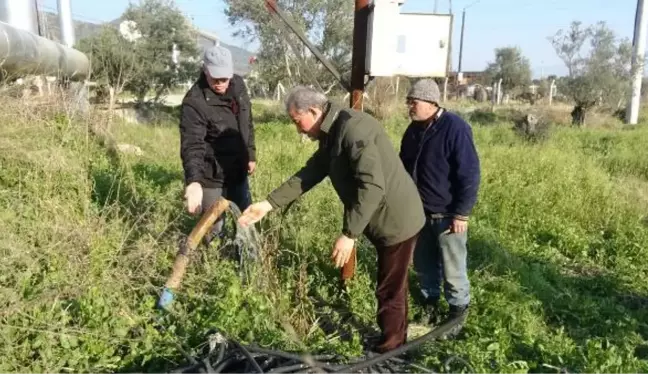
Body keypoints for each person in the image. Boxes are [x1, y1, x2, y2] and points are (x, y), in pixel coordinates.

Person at [237, 85, 426, 353]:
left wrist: (349, 235)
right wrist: (268, 204)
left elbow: (372, 187)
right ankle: (394, 336)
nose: (298, 130)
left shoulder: (353, 129)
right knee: (392, 284)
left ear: (314, 111)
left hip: (396, 220)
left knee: (390, 288)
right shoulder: (332, 130)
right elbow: (312, 172)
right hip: (379, 216)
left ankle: (391, 349)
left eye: (297, 121)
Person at [399, 78, 481, 328]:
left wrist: (461, 214)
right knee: (424, 265)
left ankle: (456, 317)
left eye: (413, 102)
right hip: (420, 214)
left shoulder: (455, 128)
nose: (410, 107)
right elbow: (402, 167)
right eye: (408, 102)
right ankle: (429, 307)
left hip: (448, 216)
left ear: (431, 102)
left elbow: (469, 173)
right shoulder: (413, 130)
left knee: (453, 269)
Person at [179, 44, 256, 242]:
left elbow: (247, 121)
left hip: (238, 171)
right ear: (205, 71)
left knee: (245, 222)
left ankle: (246, 263)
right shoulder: (194, 103)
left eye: (225, 78)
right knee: (213, 231)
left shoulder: (238, 84)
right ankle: (213, 264)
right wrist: (194, 182)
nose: (221, 83)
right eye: (215, 78)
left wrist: (250, 153)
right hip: (212, 176)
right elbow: (192, 145)